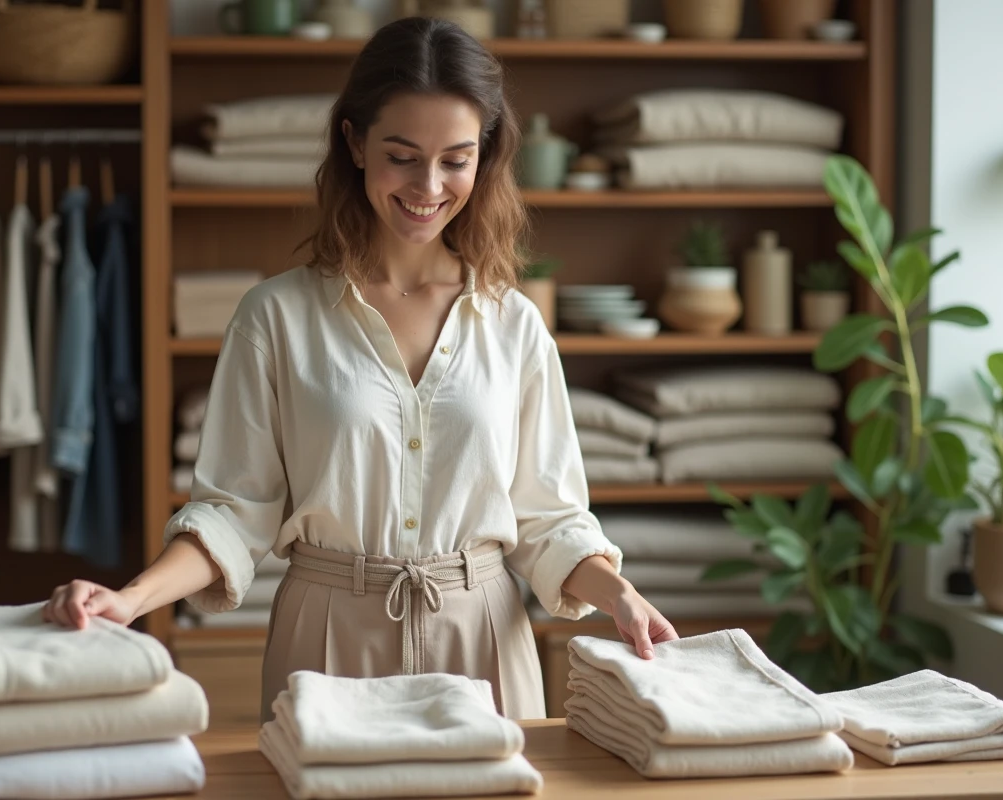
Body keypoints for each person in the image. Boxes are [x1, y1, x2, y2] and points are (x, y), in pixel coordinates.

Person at [44, 16, 678, 722]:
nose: (429, 185)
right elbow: (233, 511)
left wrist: (619, 594)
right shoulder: (274, 317)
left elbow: (549, 518)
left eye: (456, 158)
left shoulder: (514, 324)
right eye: (402, 156)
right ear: (354, 142)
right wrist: (130, 600)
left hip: (482, 640)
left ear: (486, 155)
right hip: (325, 641)